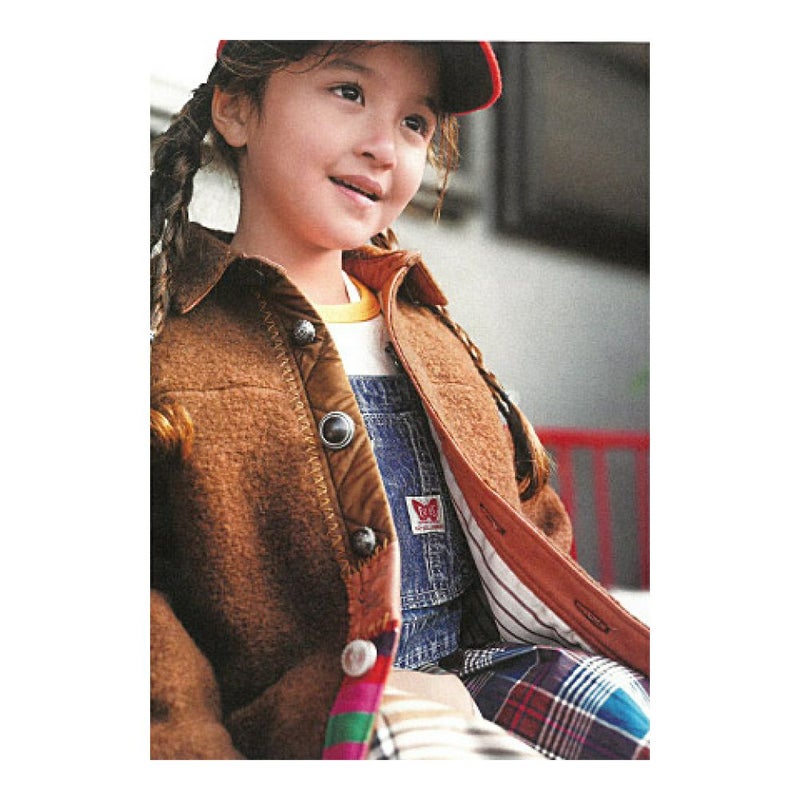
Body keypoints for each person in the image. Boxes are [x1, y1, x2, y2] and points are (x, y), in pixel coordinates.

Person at [150, 40, 650, 760]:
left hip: (491, 676)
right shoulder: (165, 343)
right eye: (349, 92)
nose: (384, 148)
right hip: (327, 719)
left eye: (416, 122)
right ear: (235, 109)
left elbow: (532, 537)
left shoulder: (429, 331)